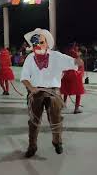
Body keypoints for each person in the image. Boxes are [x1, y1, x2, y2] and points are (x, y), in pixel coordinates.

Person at [21, 28, 80, 158]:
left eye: (41, 42)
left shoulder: (56, 56)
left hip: (53, 92)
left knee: (56, 119)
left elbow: (73, 63)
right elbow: (24, 77)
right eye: (35, 43)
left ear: (47, 43)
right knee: (33, 121)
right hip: (36, 92)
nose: (38, 45)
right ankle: (32, 146)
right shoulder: (30, 58)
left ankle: (57, 142)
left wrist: (77, 61)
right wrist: (31, 88)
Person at [60, 45, 85, 114]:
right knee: (78, 92)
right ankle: (76, 108)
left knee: (65, 90)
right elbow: (80, 65)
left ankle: (63, 104)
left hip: (66, 74)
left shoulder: (65, 56)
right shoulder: (77, 57)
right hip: (75, 75)